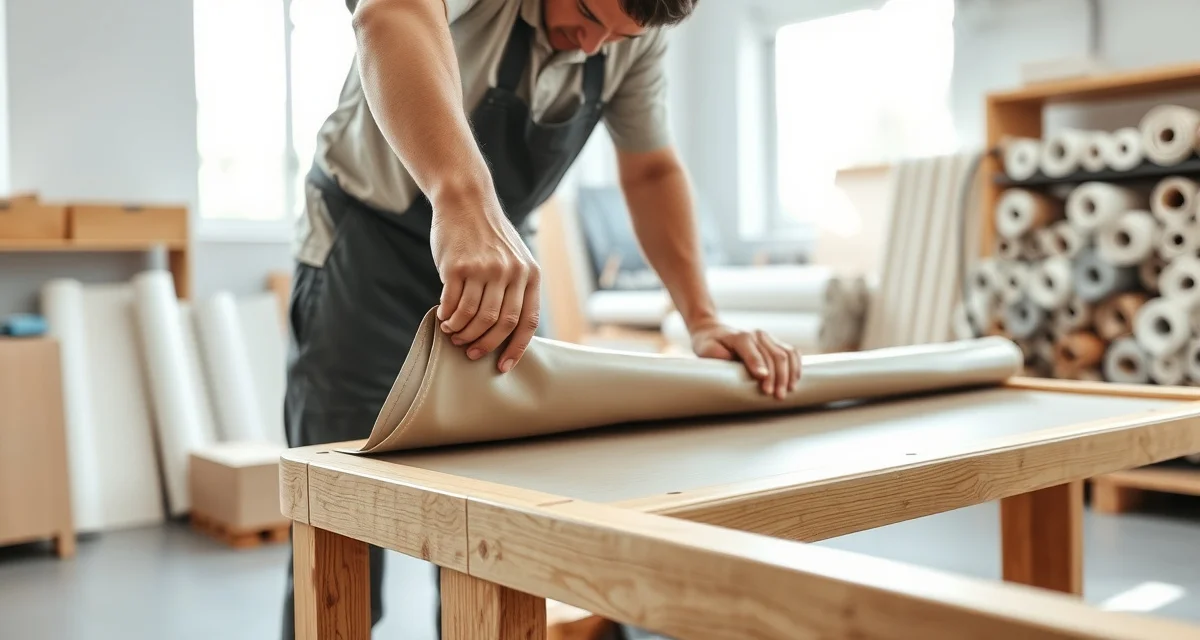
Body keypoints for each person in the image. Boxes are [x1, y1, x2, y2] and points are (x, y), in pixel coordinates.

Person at [280, 0, 804, 636]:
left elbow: (652, 169)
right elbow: (389, 12)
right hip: (365, 249)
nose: (593, 46)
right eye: (588, 14)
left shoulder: (625, 35)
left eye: (616, 37)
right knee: (343, 543)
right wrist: (463, 200)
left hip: (500, 269)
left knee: (497, 532)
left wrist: (702, 317)